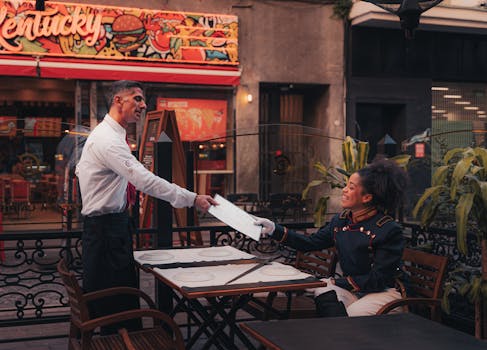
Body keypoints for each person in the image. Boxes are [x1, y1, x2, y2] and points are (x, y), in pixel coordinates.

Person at [75, 80, 217, 334]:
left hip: (110, 230)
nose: (143, 105)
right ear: (118, 100)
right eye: (137, 99)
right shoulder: (108, 140)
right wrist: (193, 198)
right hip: (106, 233)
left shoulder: (111, 135)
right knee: (117, 313)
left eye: (143, 100)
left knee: (118, 309)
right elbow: (144, 180)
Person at [254, 159, 408, 317]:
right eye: (346, 185)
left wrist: (335, 282)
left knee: (352, 313)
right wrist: (274, 229)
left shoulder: (388, 230)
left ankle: (340, 338)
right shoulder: (341, 221)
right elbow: (310, 243)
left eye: (351, 187)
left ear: (367, 198)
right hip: (356, 289)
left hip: (384, 292)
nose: (344, 190)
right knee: (323, 291)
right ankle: (336, 338)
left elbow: (378, 279)